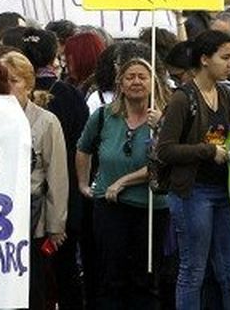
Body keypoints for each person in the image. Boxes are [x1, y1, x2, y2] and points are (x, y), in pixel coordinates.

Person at [155, 30, 230, 310]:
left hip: (225, 191)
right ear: (205, 59)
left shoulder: (226, 95)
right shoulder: (183, 98)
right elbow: (165, 150)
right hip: (193, 192)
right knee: (193, 271)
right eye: (225, 57)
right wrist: (208, 151)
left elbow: (229, 134)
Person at [76, 54, 164, 310]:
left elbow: (163, 160)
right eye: (130, 77)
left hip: (150, 208)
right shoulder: (103, 116)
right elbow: (83, 149)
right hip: (110, 206)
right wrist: (83, 184)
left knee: (145, 279)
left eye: (142, 77)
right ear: (120, 83)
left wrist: (160, 127)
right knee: (110, 276)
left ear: (152, 82)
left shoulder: (164, 117)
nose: (136, 82)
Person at [0, 50, 68, 310]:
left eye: (14, 80)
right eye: (3, 81)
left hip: (33, 218)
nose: (8, 87)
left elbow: (57, 175)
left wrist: (56, 225)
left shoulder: (46, 121)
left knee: (34, 288)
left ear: (28, 85)